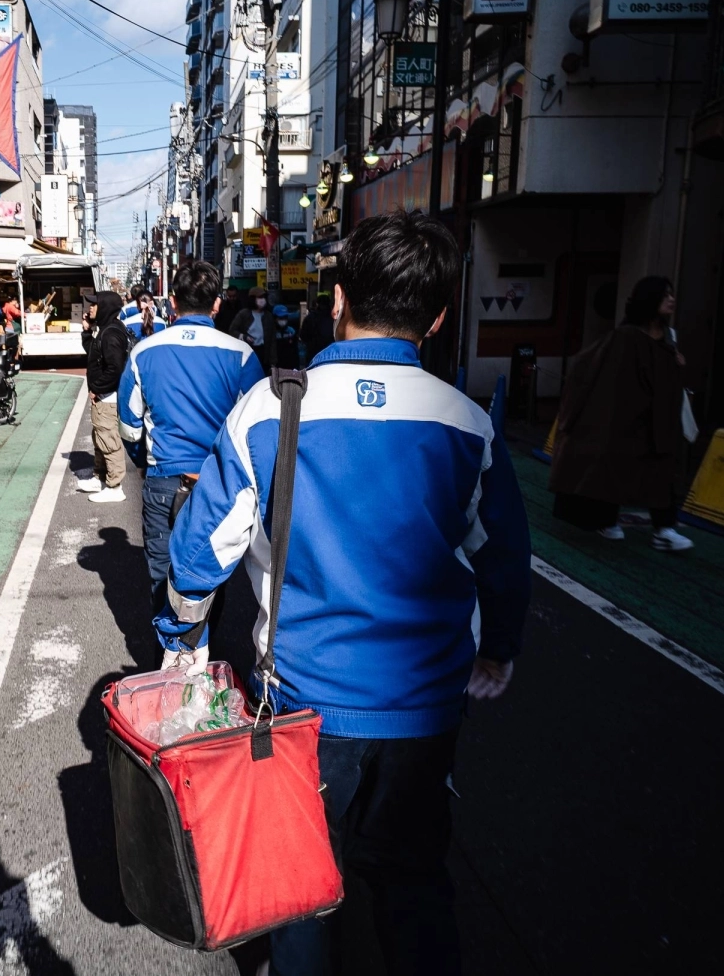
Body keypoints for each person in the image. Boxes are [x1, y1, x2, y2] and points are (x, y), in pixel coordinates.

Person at [153, 211, 532, 976]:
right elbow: (505, 557)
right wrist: (499, 652)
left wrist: (182, 638)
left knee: (300, 886)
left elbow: (201, 549)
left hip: (302, 702)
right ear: (436, 317)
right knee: (414, 877)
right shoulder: (468, 422)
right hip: (424, 707)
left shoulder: (272, 407)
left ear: (336, 299)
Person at [119, 259, 264, 612]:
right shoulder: (241, 355)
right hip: (220, 483)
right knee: (211, 574)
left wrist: (142, 464)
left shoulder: (143, 352)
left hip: (164, 480)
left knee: (162, 576)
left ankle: (170, 658)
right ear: (217, 304)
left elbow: (129, 426)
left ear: (172, 301)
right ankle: (207, 653)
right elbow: (259, 427)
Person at [549, 275, 694, 552]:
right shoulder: (626, 337)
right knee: (615, 467)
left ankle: (662, 527)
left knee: (658, 471)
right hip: (627, 420)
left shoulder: (668, 337)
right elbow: (594, 371)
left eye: (672, 294)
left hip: (658, 420)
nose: (671, 300)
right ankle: (612, 520)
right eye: (665, 295)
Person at [77, 290, 131, 503]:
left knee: (108, 439)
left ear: (105, 306)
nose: (89, 308)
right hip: (104, 396)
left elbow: (115, 369)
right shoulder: (106, 330)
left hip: (107, 397)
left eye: (93, 304)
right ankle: (99, 476)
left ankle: (115, 485)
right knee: (99, 436)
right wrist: (86, 332)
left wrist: (97, 388)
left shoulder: (110, 334)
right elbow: (93, 354)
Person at [228, 285, 273, 373]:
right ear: (253, 299)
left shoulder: (268, 316)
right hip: (248, 350)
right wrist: (244, 337)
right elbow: (232, 330)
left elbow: (272, 340)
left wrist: (273, 361)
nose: (262, 300)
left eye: (263, 297)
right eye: (259, 297)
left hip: (264, 352)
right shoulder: (244, 314)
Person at [300, 292, 335, 362]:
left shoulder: (310, 318)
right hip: (330, 354)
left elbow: (303, 336)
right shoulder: (334, 318)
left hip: (313, 354)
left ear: (317, 304)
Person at [270, 303, 301, 369]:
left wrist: (296, 367)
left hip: (290, 366)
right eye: (280, 318)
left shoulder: (291, 331)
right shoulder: (271, 332)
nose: (283, 320)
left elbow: (296, 351)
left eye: (284, 318)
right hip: (276, 366)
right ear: (275, 318)